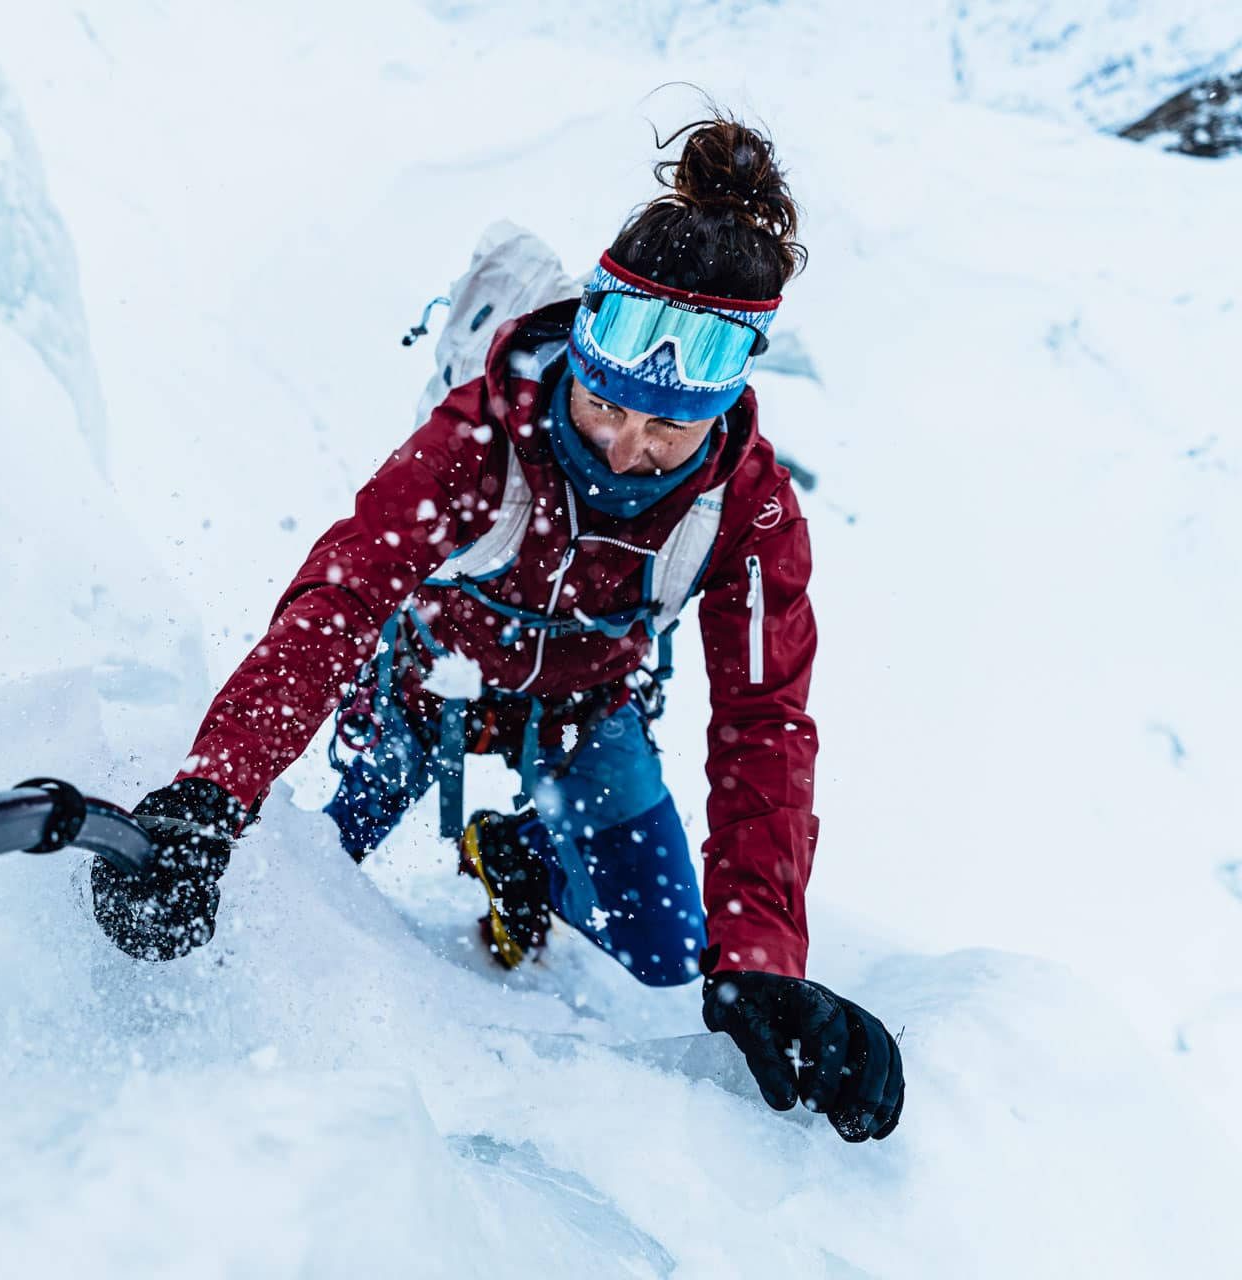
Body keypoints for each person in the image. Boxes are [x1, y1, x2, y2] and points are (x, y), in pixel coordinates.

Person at [91, 114, 904, 1142]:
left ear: (729, 403)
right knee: (305, 886)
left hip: (583, 711)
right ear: (586, 340)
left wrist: (763, 961)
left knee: (665, 955)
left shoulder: (751, 513)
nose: (625, 445)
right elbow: (337, 606)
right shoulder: (482, 436)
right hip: (420, 686)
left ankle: (519, 848)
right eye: (607, 406)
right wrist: (213, 793)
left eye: (667, 429)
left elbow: (764, 725)